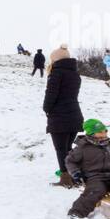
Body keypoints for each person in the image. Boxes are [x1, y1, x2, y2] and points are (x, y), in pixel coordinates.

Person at [43, 44, 83, 188]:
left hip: (60, 116)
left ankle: (66, 178)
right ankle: (74, 176)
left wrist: (46, 108)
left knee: (61, 149)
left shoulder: (56, 73)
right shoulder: (75, 74)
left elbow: (51, 95)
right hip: (74, 114)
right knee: (67, 148)